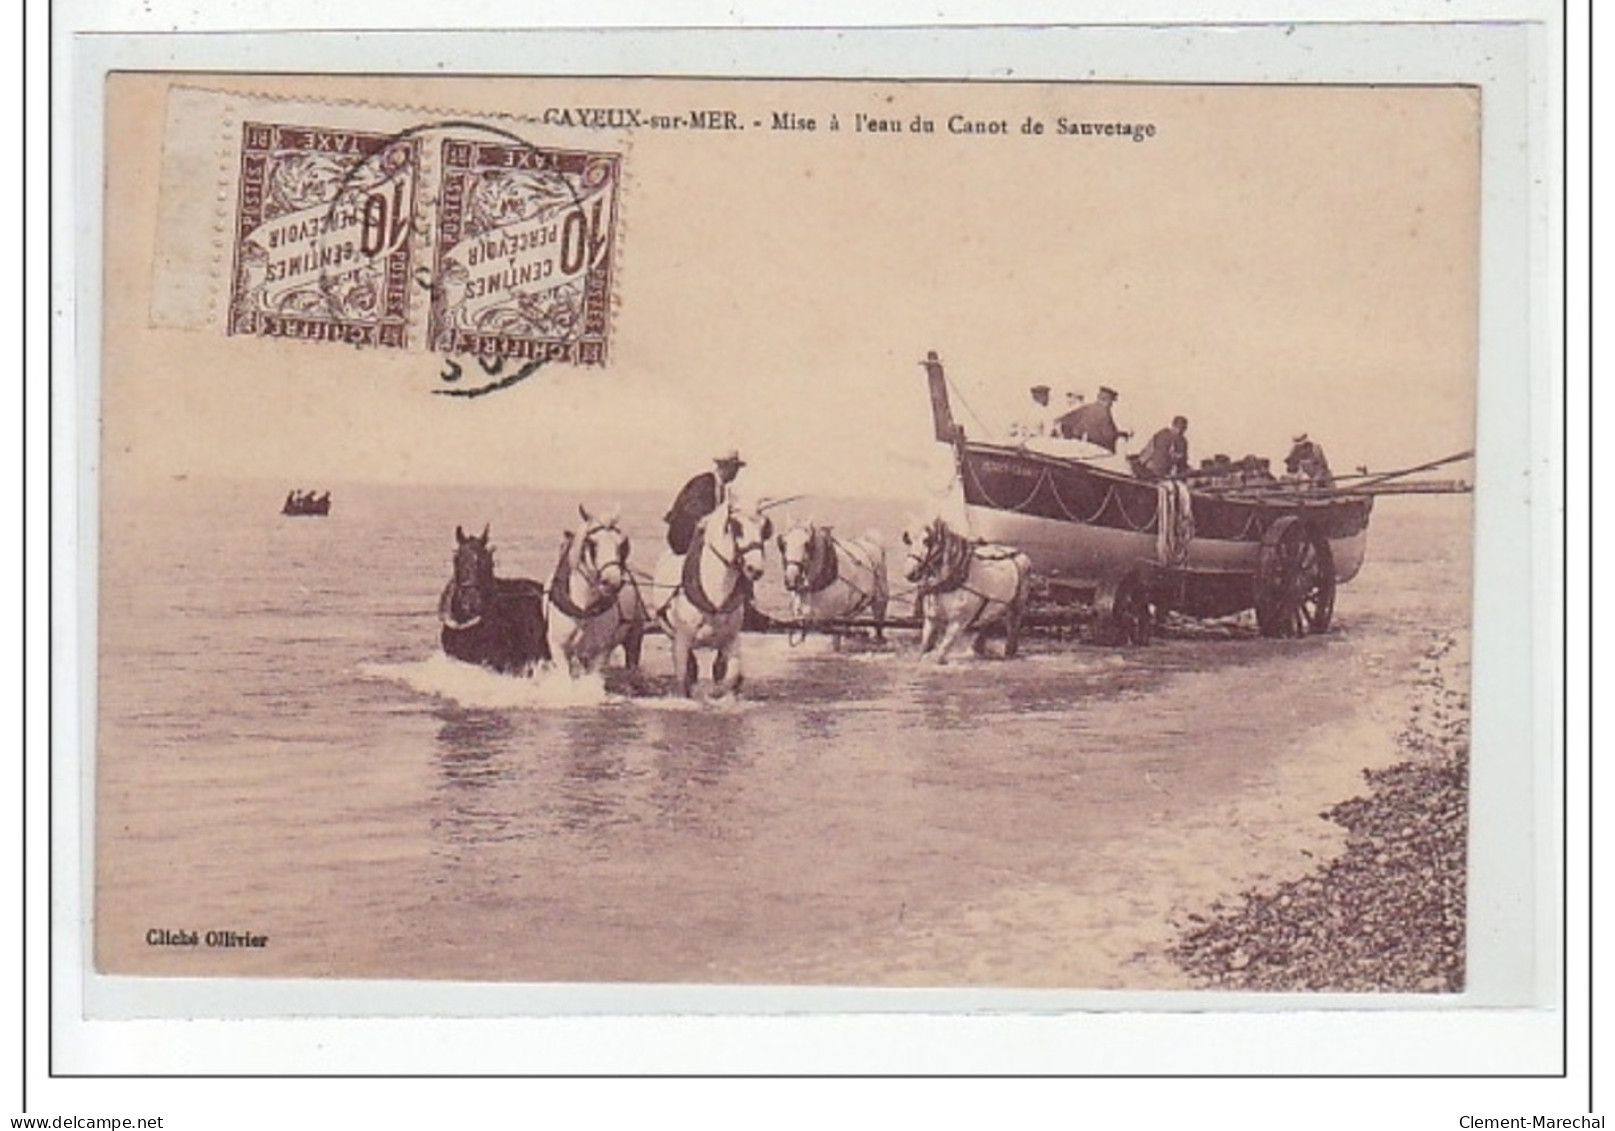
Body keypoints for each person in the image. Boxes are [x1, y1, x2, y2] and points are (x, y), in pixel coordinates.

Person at [665, 449, 745, 554]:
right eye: (735, 468)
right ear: (725, 467)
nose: (736, 473)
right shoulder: (703, 483)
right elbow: (692, 512)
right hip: (684, 538)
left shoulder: (721, 488)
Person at [1055, 386, 1131, 451]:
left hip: (1077, 448)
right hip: (1095, 451)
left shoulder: (1086, 408)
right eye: (1111, 401)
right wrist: (1121, 435)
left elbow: (1061, 422)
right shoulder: (1104, 413)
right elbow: (1108, 435)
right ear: (1107, 400)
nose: (1111, 404)